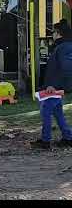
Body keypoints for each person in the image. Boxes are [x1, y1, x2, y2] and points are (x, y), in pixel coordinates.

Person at [31, 20, 72, 149]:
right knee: (57, 112)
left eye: (53, 32)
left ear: (58, 33)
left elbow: (66, 68)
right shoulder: (62, 46)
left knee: (46, 111)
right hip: (55, 86)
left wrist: (55, 86)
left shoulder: (65, 47)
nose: (52, 34)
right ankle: (68, 137)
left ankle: (45, 140)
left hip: (54, 87)